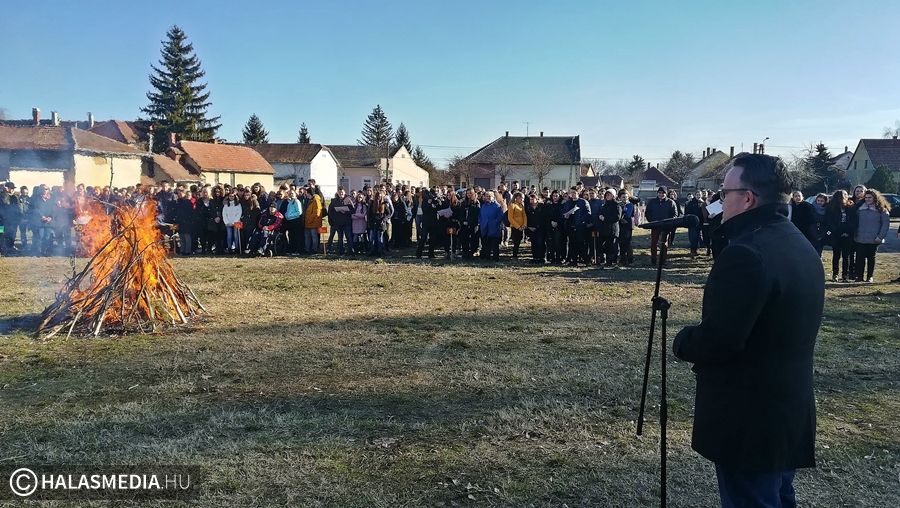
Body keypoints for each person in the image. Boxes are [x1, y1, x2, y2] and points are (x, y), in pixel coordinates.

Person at [673, 153, 824, 508]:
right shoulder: (797, 242)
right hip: (787, 406)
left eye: (724, 193)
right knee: (778, 495)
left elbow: (721, 340)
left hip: (750, 415)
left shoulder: (746, 253)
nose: (719, 200)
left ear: (748, 198)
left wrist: (683, 341)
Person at [853, 189, 891, 282]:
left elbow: (885, 225)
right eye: (866, 197)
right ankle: (859, 276)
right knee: (859, 258)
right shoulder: (860, 208)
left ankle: (870, 276)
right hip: (860, 238)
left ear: (875, 198)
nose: (867, 199)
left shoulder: (882, 210)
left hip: (874, 239)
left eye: (870, 197)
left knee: (871, 258)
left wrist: (880, 237)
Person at [823, 190, 857, 282]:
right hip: (835, 235)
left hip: (847, 235)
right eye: (842, 196)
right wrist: (837, 232)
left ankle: (845, 275)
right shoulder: (831, 208)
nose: (844, 198)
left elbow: (853, 221)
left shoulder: (850, 207)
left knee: (846, 256)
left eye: (845, 195)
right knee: (836, 255)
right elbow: (829, 222)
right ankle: (835, 274)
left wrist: (847, 232)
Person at [645, 187, 677, 265]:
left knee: (664, 243)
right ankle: (653, 260)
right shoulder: (652, 202)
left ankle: (663, 260)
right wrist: (651, 221)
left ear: (666, 194)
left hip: (666, 226)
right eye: (659, 193)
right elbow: (647, 212)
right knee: (654, 243)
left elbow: (675, 214)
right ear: (657, 193)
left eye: (663, 193)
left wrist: (669, 222)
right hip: (655, 225)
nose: (661, 194)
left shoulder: (670, 202)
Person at [596, 189, 623, 267]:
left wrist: (605, 218)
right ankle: (603, 260)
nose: (607, 196)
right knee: (602, 245)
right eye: (606, 195)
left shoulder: (617, 205)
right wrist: (600, 216)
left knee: (611, 246)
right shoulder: (604, 204)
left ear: (613, 196)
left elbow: (617, 217)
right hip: (604, 229)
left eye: (609, 195)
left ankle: (610, 261)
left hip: (612, 229)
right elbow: (601, 212)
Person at [478, 191, 504, 260]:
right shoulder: (483, 206)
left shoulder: (497, 206)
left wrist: (495, 222)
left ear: (493, 197)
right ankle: (487, 257)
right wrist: (481, 222)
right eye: (487, 196)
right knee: (486, 244)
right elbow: (480, 216)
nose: (488, 198)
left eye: (490, 196)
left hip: (494, 228)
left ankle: (495, 258)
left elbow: (500, 216)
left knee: (495, 244)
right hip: (485, 227)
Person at [327, 188, 353, 255]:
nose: (341, 193)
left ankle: (350, 251)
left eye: (342, 192)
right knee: (340, 237)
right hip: (338, 222)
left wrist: (345, 212)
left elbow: (353, 210)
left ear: (344, 192)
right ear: (337, 193)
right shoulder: (334, 201)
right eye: (339, 192)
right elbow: (330, 211)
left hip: (346, 222)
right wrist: (333, 220)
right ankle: (340, 250)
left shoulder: (348, 200)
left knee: (348, 237)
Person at [617, 189, 636, 266]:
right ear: (620, 198)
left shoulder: (630, 205)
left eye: (626, 197)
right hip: (620, 225)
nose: (625, 199)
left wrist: (623, 209)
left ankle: (630, 259)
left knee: (628, 243)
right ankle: (622, 259)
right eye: (623, 197)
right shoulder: (618, 204)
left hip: (627, 225)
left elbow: (628, 214)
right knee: (621, 243)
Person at [303, 188, 324, 254]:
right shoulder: (309, 200)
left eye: (307, 193)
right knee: (307, 236)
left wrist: (309, 220)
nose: (306, 194)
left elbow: (317, 212)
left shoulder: (316, 200)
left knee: (314, 236)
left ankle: (314, 249)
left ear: (309, 193)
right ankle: (307, 249)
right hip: (308, 222)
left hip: (314, 222)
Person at [507, 192, 527, 259]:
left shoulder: (521, 205)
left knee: (519, 240)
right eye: (522, 198)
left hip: (521, 227)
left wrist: (524, 224)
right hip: (515, 227)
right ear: (517, 198)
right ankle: (514, 255)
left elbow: (524, 216)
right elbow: (510, 218)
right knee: (516, 241)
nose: (523, 199)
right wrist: (517, 226)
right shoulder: (512, 205)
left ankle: (516, 254)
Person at [684, 193, 704, 258]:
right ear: (695, 195)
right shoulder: (690, 203)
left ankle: (696, 250)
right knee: (693, 238)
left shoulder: (702, 203)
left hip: (700, 223)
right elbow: (687, 213)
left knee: (698, 236)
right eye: (697, 195)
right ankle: (693, 251)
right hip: (692, 223)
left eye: (699, 195)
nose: (698, 196)